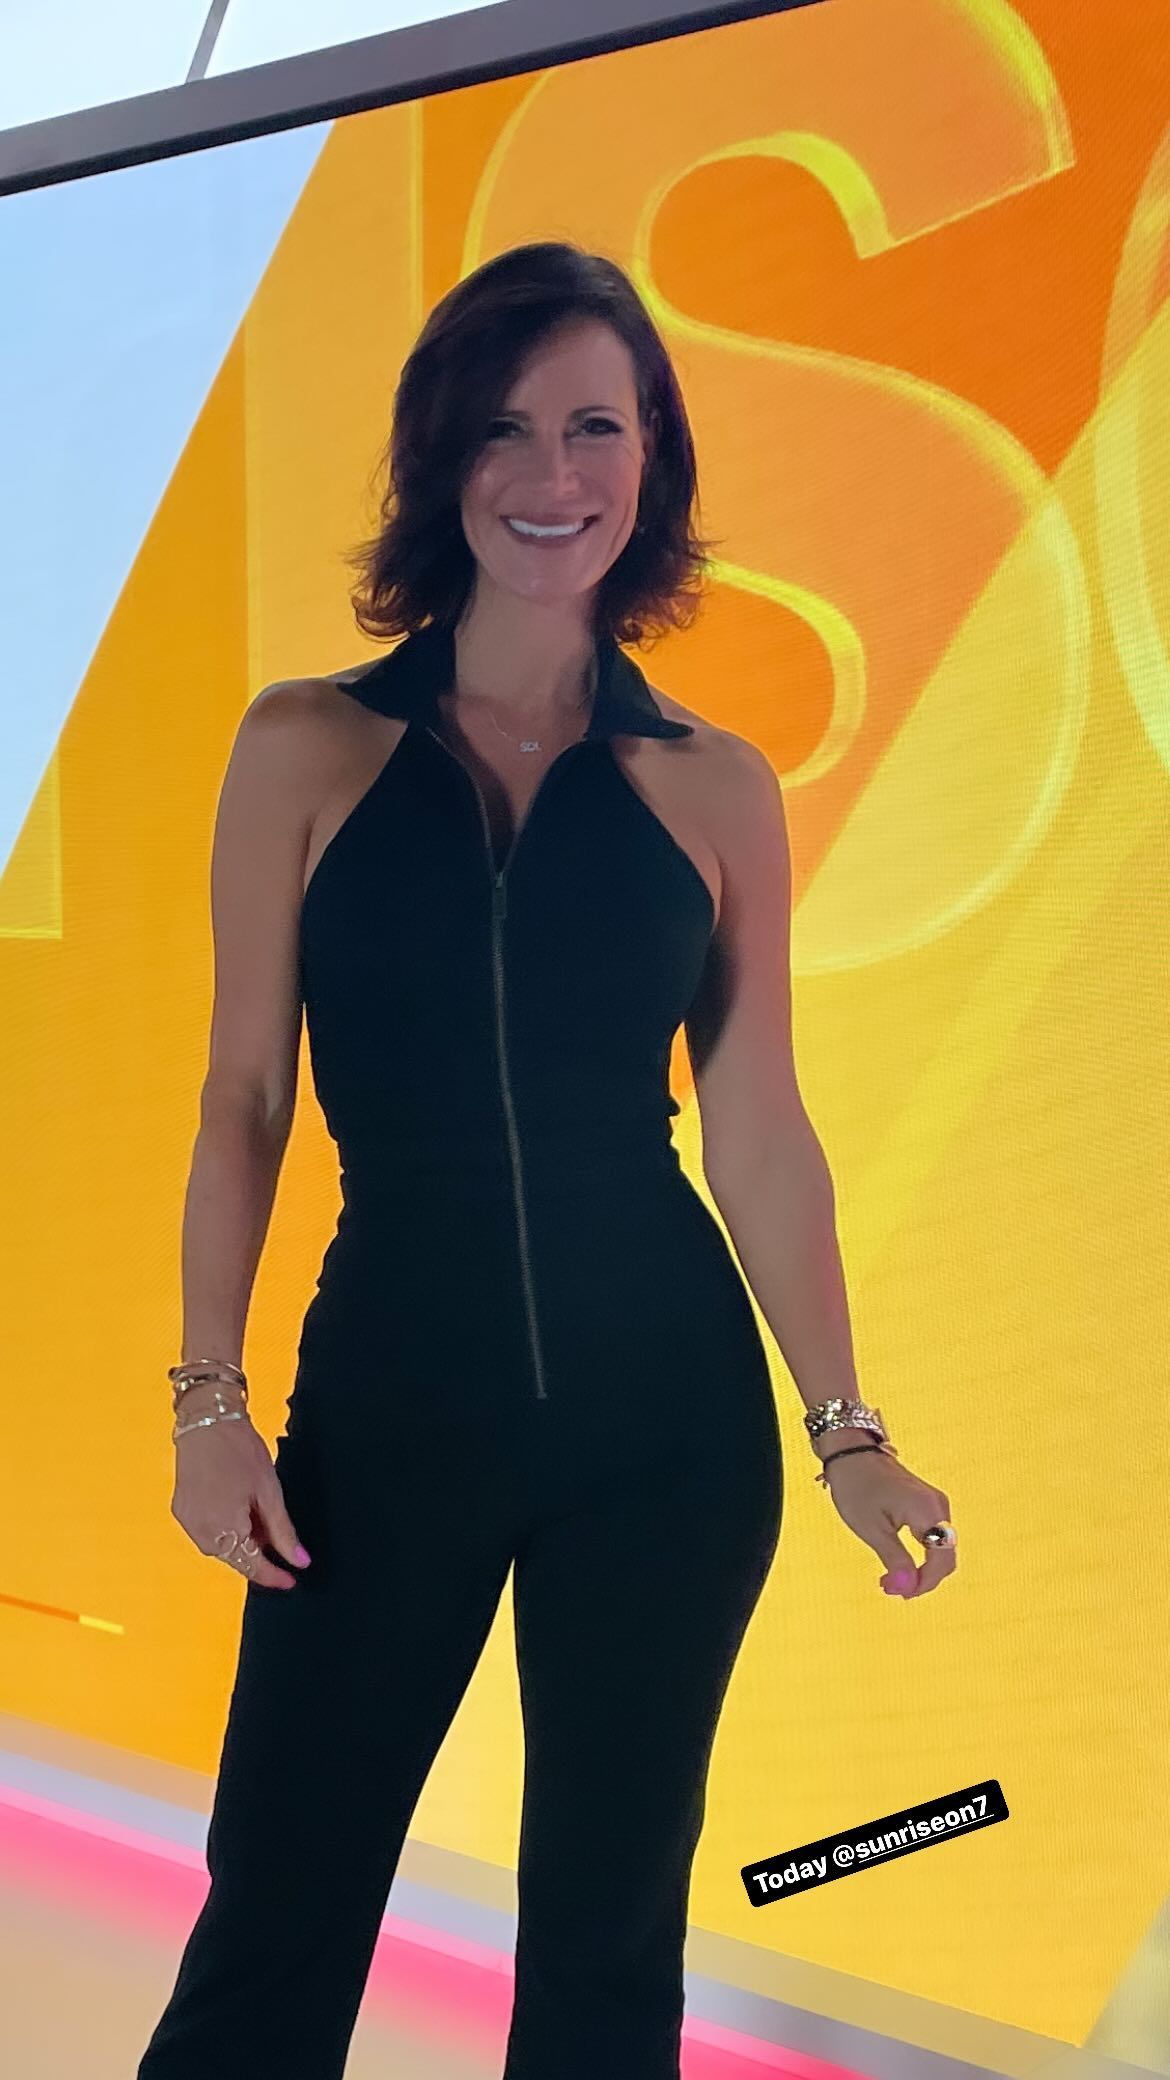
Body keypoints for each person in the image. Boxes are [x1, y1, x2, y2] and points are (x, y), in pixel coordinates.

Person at [137, 240, 955, 2080]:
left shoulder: (713, 785)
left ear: (650, 455)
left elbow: (758, 1126)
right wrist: (209, 1398)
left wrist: (847, 1431)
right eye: (502, 429)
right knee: (276, 1919)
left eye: (594, 426)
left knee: (605, 1952)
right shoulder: (307, 746)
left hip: (667, 1434)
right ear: (440, 458)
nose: (550, 474)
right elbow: (243, 1098)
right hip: (386, 1414)